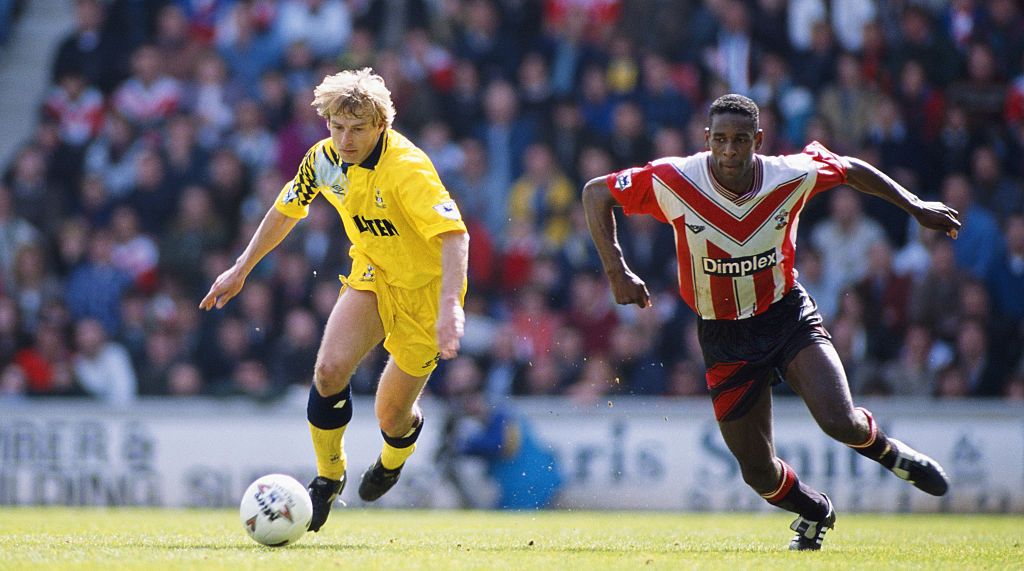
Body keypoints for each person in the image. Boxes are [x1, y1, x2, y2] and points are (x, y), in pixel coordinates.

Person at [582, 94, 959, 551]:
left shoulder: (788, 175)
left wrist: (916, 205)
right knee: (757, 472)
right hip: (723, 334)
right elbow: (596, 192)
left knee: (840, 422)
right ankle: (815, 510)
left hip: (786, 315)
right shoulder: (675, 179)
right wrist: (616, 270)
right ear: (706, 139)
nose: (728, 152)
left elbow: (849, 169)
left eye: (740, 141)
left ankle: (891, 453)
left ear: (758, 140)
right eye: (719, 140)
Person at [200, 68, 469, 532]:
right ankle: (327, 478)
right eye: (337, 127)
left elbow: (454, 236)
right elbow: (286, 210)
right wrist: (241, 268)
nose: (345, 139)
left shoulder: (408, 169)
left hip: (425, 292)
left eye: (358, 129)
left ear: (381, 125)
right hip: (372, 272)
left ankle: (390, 459)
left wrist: (450, 306)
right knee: (328, 370)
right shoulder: (322, 159)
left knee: (391, 413)